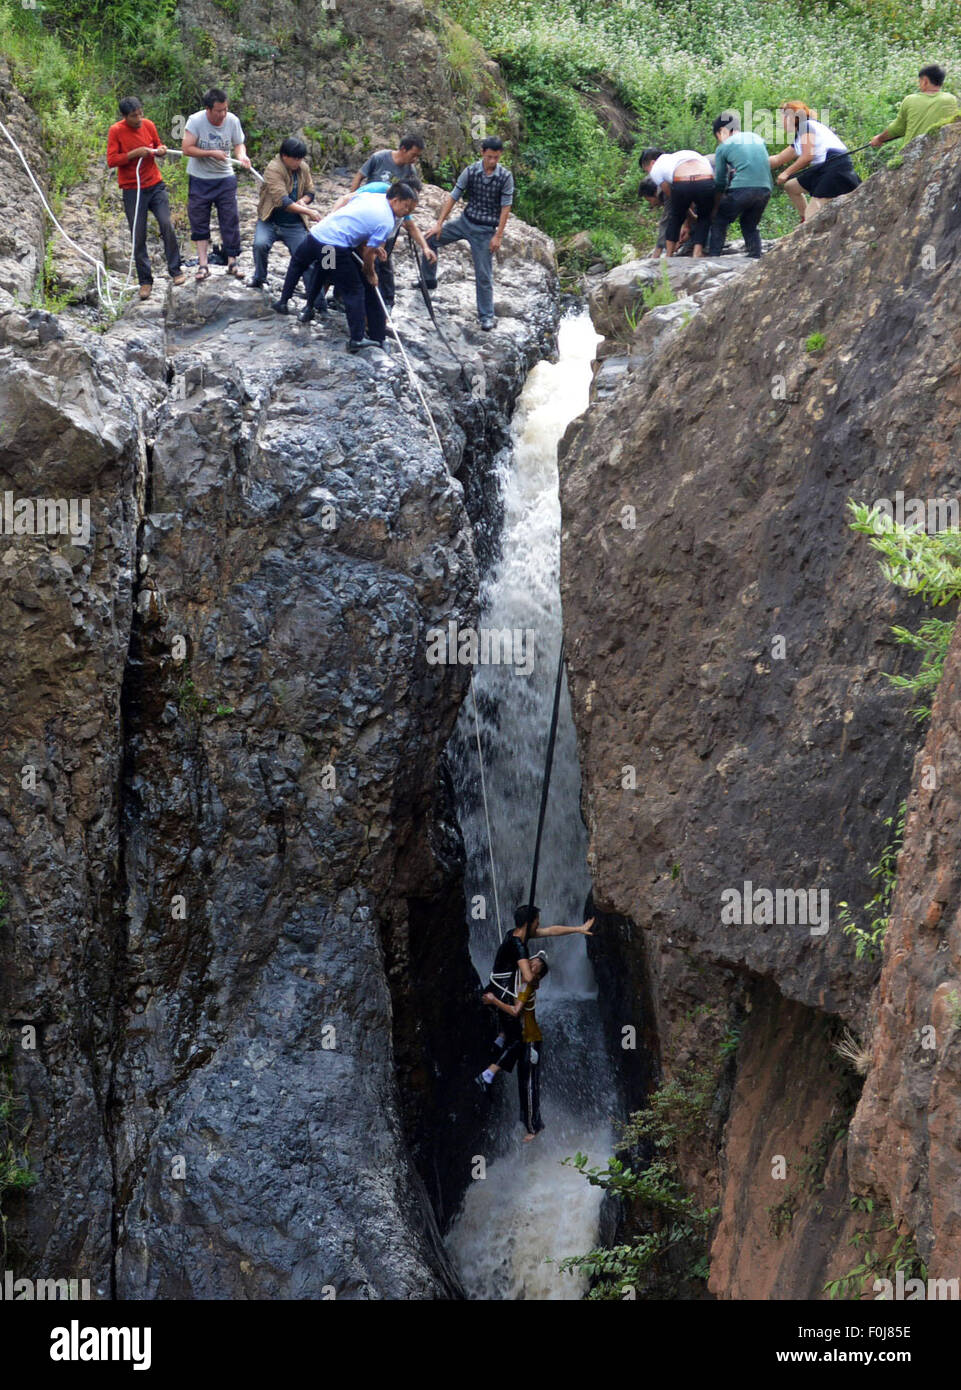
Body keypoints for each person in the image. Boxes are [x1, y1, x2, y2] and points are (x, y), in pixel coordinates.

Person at [271, 182, 419, 350]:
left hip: (318, 235)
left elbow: (356, 216)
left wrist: (372, 243)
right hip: (333, 246)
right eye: (406, 207)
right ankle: (356, 339)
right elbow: (369, 254)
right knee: (354, 291)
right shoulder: (386, 221)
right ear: (396, 200)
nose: (407, 213)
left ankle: (287, 303)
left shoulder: (371, 196)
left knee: (303, 265)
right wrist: (370, 272)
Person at [421, 136, 514, 330]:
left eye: (496, 158)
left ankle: (486, 316)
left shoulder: (505, 177)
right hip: (465, 222)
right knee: (429, 238)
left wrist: (498, 236)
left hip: (485, 230)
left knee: (483, 274)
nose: (492, 161)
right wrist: (439, 223)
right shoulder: (471, 171)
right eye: (489, 157)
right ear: (482, 153)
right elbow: (454, 196)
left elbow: (506, 207)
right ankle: (428, 279)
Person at [106, 97, 185, 301]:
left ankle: (176, 271)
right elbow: (112, 160)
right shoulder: (116, 131)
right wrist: (133, 154)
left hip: (155, 185)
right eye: (134, 116)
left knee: (166, 224)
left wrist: (161, 150)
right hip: (133, 189)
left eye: (141, 112)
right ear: (125, 117)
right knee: (138, 234)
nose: (139, 118)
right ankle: (145, 282)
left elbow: (158, 146)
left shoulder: (148, 124)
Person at [326, 176, 435, 312]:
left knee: (374, 271)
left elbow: (410, 226)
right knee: (327, 268)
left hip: (370, 241)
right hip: (340, 238)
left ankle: (375, 307)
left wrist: (425, 247)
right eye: (407, 204)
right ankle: (317, 302)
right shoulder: (378, 191)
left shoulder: (402, 207)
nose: (408, 208)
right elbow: (346, 199)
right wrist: (331, 218)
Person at [181, 87, 251, 282]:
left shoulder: (233, 120)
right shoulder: (195, 121)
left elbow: (239, 144)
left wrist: (242, 156)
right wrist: (211, 153)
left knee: (230, 219)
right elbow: (186, 148)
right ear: (208, 109)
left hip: (225, 178)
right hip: (200, 178)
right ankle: (203, 265)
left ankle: (232, 262)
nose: (222, 114)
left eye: (225, 110)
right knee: (199, 220)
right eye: (218, 111)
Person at [481, 953, 549, 1140]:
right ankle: (532, 1123)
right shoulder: (518, 983)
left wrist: (494, 1000)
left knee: (529, 1084)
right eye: (531, 963)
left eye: (535, 968)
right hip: (522, 1040)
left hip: (531, 1041)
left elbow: (515, 1011)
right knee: (523, 1083)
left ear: (536, 977)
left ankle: (533, 1128)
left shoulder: (527, 986)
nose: (531, 966)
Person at [769, 102, 859, 224]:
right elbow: (778, 159)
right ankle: (804, 220)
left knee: (812, 215)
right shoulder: (801, 135)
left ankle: (808, 223)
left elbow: (807, 156)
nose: (781, 122)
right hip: (823, 169)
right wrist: (751, 162)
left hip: (835, 168)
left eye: (782, 118)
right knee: (791, 187)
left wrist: (786, 173)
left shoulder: (806, 127)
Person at [249, 138, 321, 288]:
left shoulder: (303, 168)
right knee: (260, 245)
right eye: (295, 159)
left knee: (306, 257)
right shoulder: (273, 169)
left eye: (300, 159)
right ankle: (259, 279)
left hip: (294, 223)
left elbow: (311, 191)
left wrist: (304, 200)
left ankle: (315, 300)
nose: (298, 162)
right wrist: (308, 212)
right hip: (270, 220)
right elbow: (283, 202)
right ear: (284, 156)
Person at [708, 111, 772, 258]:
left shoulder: (723, 147)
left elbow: (721, 180)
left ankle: (713, 257)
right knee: (749, 224)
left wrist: (718, 200)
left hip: (742, 189)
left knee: (720, 219)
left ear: (721, 132)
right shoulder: (757, 138)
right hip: (765, 189)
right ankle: (755, 256)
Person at [639, 147, 715, 258]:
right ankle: (697, 252)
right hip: (706, 178)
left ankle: (669, 255)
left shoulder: (656, 169)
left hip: (683, 179)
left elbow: (672, 197)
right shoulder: (677, 156)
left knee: (675, 217)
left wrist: (688, 215)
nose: (649, 173)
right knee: (704, 216)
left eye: (647, 170)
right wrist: (689, 222)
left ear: (652, 162)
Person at [870, 64, 959, 149]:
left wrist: (879, 139)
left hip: (911, 154)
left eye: (919, 81)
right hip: (939, 155)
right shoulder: (951, 99)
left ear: (925, 81)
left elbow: (897, 129)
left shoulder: (910, 100)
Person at [348, 132, 425, 192]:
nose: (415, 159)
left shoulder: (410, 171)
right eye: (413, 155)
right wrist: (352, 197)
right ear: (403, 149)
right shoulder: (379, 157)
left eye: (418, 156)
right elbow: (359, 176)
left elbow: (413, 192)